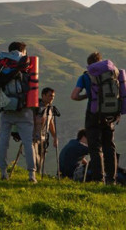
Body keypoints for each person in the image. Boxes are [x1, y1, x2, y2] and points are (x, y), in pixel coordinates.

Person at [70, 51, 119, 184]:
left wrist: (86, 96)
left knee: (95, 148)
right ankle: (111, 179)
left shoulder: (86, 76)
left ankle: (98, 179)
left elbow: (74, 96)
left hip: (93, 114)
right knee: (110, 146)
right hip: (110, 115)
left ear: (89, 64)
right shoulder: (113, 74)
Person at [0, 41, 37, 182]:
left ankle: (3, 172)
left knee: (3, 141)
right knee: (28, 143)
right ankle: (32, 174)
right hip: (24, 110)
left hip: (6, 109)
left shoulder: (3, 64)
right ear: (23, 51)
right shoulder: (25, 63)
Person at [33, 87, 58, 175]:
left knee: (41, 157)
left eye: (53, 96)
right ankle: (35, 174)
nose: (52, 98)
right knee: (35, 158)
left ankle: (39, 174)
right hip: (34, 136)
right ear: (43, 95)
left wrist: (55, 137)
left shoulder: (50, 109)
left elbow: (51, 123)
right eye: (50, 95)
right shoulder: (35, 106)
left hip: (43, 137)